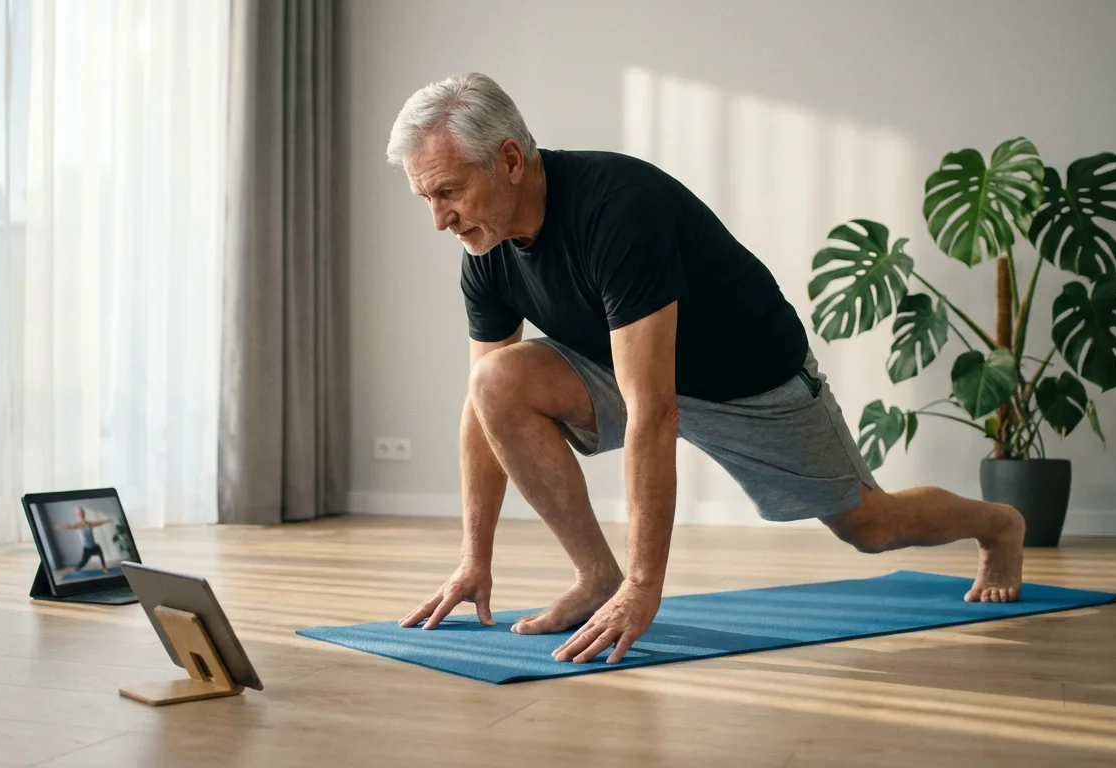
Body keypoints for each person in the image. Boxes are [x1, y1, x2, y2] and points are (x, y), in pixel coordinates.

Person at [388, 72, 1026, 665]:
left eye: (449, 192)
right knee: (495, 381)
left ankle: (999, 524)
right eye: (427, 197)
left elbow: (654, 410)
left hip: (752, 382)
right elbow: (483, 413)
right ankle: (594, 576)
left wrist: (647, 587)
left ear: (509, 160)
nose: (440, 219)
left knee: (872, 525)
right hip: (630, 373)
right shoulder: (486, 248)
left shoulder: (617, 210)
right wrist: (475, 556)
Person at [56, 506, 112, 573]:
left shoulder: (89, 523)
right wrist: (60, 527)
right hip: (87, 549)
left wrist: (107, 520)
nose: (81, 514)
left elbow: (99, 522)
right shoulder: (77, 525)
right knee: (82, 563)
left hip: (94, 546)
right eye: (79, 513)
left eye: (82, 512)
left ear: (84, 513)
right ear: (77, 515)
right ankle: (76, 569)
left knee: (100, 552)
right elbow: (68, 526)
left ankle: (104, 568)